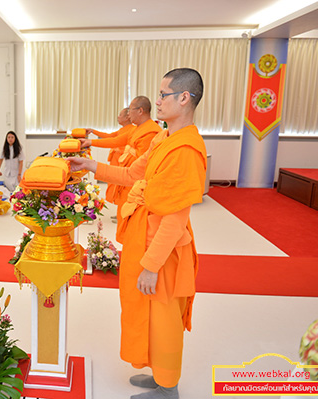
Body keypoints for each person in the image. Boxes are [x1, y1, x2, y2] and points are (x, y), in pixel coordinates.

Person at [70, 68, 207, 399]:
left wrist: (151, 265)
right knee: (144, 312)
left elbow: (175, 216)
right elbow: (132, 174)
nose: (157, 101)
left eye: (163, 95)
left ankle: (169, 386)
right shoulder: (164, 137)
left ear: (184, 98)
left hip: (163, 251)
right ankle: (159, 375)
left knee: (165, 321)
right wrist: (91, 166)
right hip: (142, 237)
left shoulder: (186, 150)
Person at [80, 97, 161, 242]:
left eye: (131, 110)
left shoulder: (151, 132)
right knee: (123, 217)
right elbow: (116, 140)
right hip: (126, 180)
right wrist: (90, 141)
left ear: (140, 111)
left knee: (132, 224)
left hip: (135, 185)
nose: (129, 114)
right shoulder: (137, 129)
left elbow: (142, 169)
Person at [86, 107, 135, 206]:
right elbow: (109, 136)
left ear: (127, 117)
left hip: (123, 162)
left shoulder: (132, 130)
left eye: (120, 115)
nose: (118, 117)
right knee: (115, 185)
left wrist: (90, 142)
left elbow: (115, 142)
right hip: (116, 159)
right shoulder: (122, 130)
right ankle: (119, 208)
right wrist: (93, 131)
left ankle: (122, 210)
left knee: (121, 186)